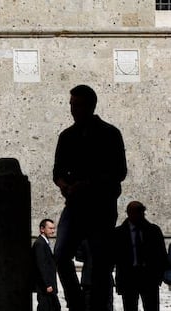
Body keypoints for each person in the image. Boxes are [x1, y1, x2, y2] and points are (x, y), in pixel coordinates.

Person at [52, 84, 128, 311]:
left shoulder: (110, 133)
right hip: (74, 205)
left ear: (89, 105)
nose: (72, 109)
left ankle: (98, 306)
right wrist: (63, 184)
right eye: (71, 105)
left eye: (76, 105)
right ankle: (76, 303)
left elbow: (119, 171)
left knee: (100, 262)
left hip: (100, 207)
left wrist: (88, 184)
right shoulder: (67, 136)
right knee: (61, 254)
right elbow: (57, 171)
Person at [113, 201, 169, 311]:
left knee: (151, 307)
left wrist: (159, 275)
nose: (139, 216)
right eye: (136, 213)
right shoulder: (119, 233)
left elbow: (161, 254)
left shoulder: (153, 231)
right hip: (129, 277)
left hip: (148, 276)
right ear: (129, 214)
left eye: (140, 212)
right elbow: (116, 257)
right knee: (130, 307)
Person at [31, 218, 61, 311]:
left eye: (53, 228)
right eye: (50, 228)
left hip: (48, 286)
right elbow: (41, 265)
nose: (53, 231)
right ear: (42, 229)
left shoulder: (44, 243)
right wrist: (47, 284)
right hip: (45, 287)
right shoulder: (40, 244)